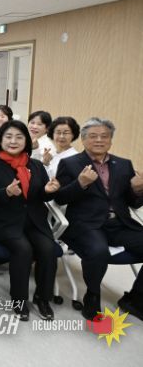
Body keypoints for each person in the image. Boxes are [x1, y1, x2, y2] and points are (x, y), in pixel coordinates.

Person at [55, 117, 143, 321]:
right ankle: (92, 295)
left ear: (111, 140)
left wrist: (138, 190)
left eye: (105, 136)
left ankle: (135, 299)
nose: (99, 140)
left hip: (119, 224)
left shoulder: (124, 164)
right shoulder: (70, 164)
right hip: (86, 224)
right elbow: (60, 198)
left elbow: (132, 202)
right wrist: (80, 183)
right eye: (93, 136)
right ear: (83, 140)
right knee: (98, 251)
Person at [0, 121, 60, 321]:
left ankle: (43, 298)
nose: (13, 141)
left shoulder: (36, 165)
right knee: (23, 249)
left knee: (49, 249)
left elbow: (41, 195)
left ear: (26, 141)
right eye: (8, 137)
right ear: (0, 140)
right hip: (4, 221)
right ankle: (19, 300)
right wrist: (6, 192)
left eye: (19, 137)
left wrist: (48, 191)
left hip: (33, 221)